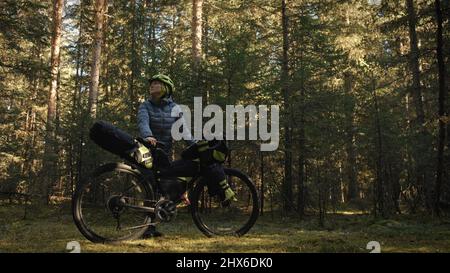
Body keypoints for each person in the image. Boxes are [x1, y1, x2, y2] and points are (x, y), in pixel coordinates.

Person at [137, 74, 235, 238]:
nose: (152, 86)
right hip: (147, 150)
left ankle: (151, 227)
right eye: (151, 83)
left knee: (163, 189)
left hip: (163, 153)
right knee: (150, 186)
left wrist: (196, 145)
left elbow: (183, 130)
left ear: (166, 88)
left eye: (156, 83)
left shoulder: (174, 108)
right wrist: (148, 136)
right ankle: (147, 229)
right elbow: (143, 122)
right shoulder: (145, 106)